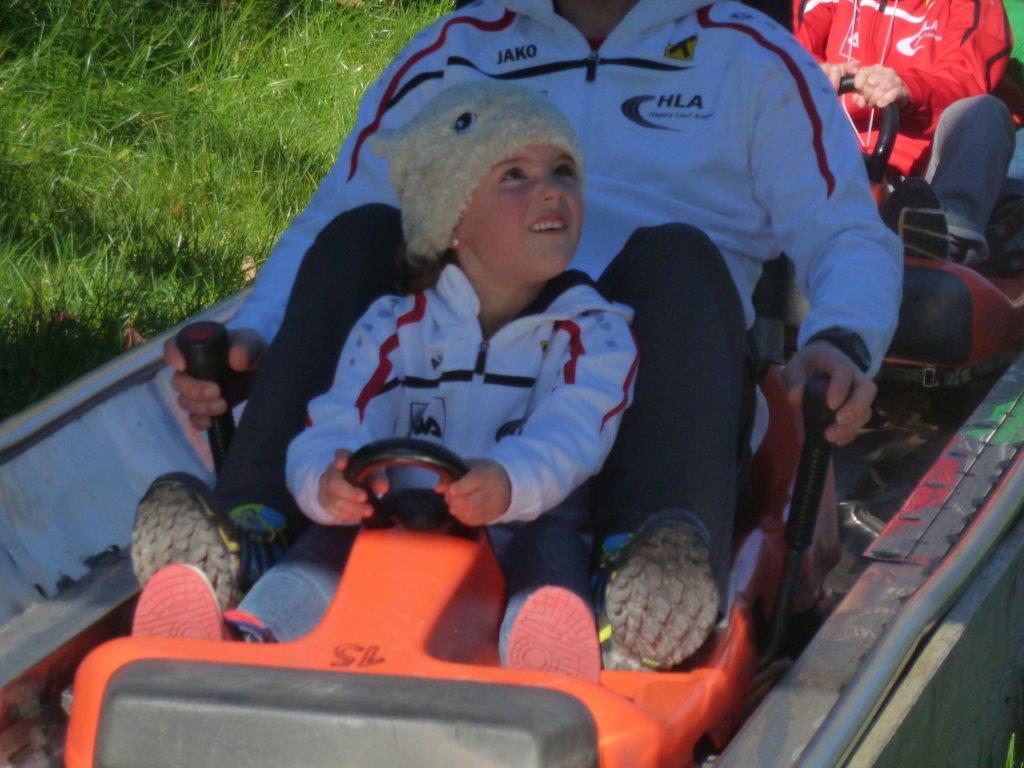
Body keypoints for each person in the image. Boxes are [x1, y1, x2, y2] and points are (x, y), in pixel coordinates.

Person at [131, 0, 903, 671]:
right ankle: (249, 535)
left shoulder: (751, 57)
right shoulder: (458, 48)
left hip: (652, 385)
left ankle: (641, 580)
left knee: (679, 254)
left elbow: (846, 232)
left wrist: (843, 338)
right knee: (363, 230)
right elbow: (333, 212)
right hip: (444, 371)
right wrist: (255, 333)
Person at [133, 82, 639, 682]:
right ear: (452, 220)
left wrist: (509, 482)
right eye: (515, 175)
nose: (551, 189)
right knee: (332, 538)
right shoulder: (393, 325)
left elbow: (575, 432)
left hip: (521, 523)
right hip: (401, 531)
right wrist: (327, 482)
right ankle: (244, 633)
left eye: (563, 171)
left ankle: (542, 650)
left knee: (550, 548)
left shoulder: (594, 330)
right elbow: (337, 419)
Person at [793, 0, 1020, 265]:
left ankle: (942, 243)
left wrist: (906, 89)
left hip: (924, 182)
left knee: (986, 111)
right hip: (826, 163)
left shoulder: (974, 6)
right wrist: (808, 73)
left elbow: (964, 77)